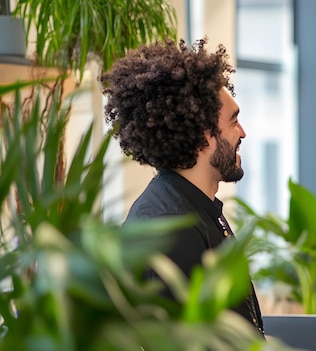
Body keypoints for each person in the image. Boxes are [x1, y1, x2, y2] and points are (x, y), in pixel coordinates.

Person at [99, 38, 264, 336]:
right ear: (203, 136)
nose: (243, 132)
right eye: (233, 121)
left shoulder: (194, 208)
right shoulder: (171, 228)